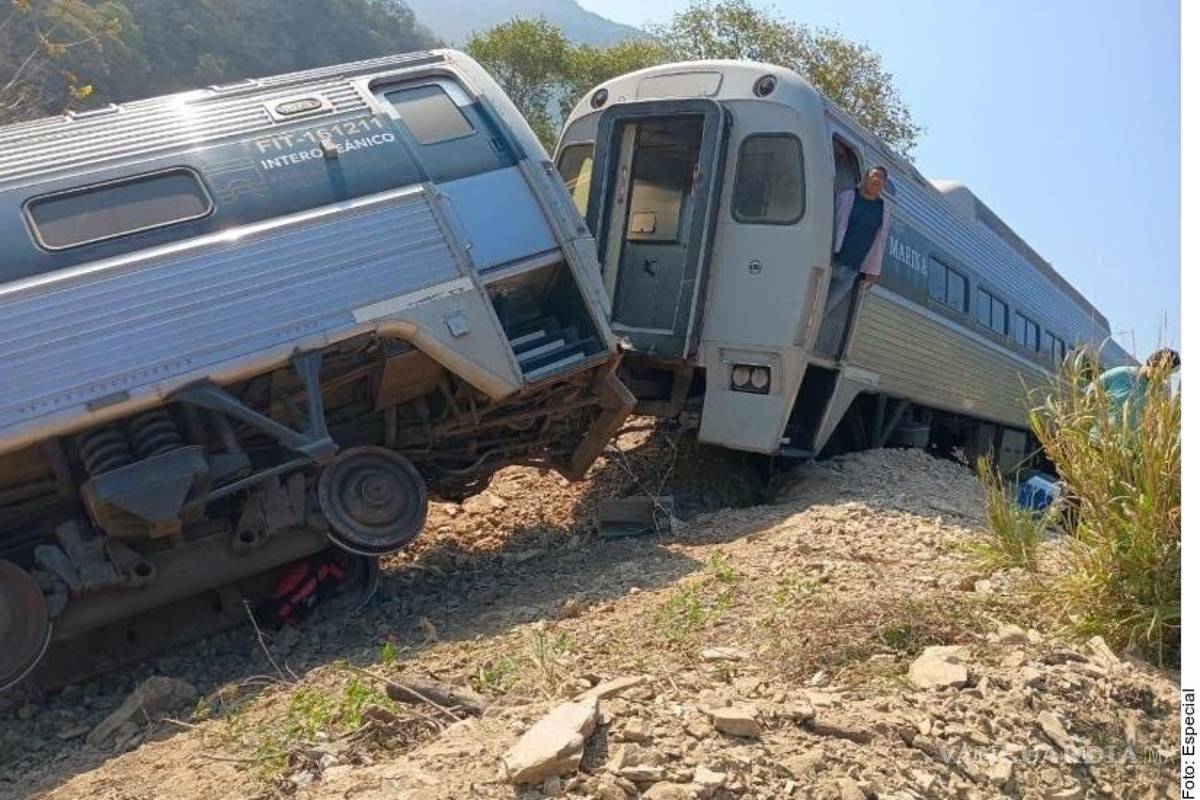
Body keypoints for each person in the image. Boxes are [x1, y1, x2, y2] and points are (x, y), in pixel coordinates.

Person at [832, 165, 893, 290]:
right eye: (874, 175)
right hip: (831, 259)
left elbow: (880, 243)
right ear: (865, 178)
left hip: (852, 269)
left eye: (881, 178)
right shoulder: (846, 197)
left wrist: (874, 271)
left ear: (884, 184)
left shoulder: (883, 210)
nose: (877, 179)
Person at [1091, 347, 1180, 431]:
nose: (1164, 377)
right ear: (1153, 362)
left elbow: (1159, 423)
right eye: (1163, 371)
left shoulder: (1158, 392)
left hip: (1128, 442)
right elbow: (1088, 395)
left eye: (1168, 374)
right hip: (1098, 439)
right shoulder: (1121, 374)